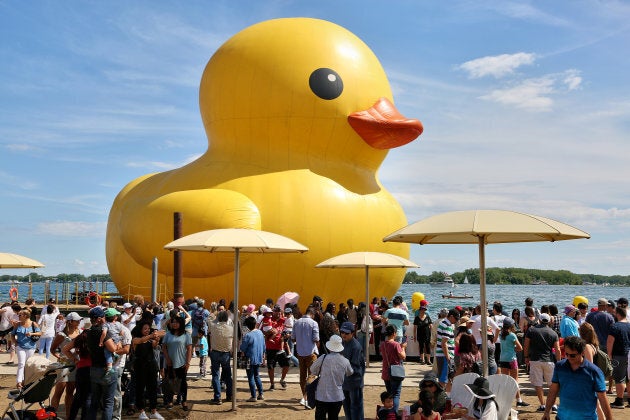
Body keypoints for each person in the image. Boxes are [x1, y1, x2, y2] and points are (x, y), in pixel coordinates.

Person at [542, 336, 613, 420]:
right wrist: (546, 412)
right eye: (566, 354)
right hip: (562, 417)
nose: (568, 357)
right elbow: (553, 391)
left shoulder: (594, 372)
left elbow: (603, 399)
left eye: (572, 355)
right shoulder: (559, 367)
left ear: (582, 353)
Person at [85, 306, 119, 420]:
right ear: (99, 319)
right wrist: (117, 345)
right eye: (103, 317)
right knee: (108, 403)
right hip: (106, 369)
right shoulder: (103, 332)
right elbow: (112, 348)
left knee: (94, 402)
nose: (105, 318)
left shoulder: (89, 332)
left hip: (94, 369)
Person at [523, 312, 560, 412]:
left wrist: (526, 356)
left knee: (538, 383)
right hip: (549, 360)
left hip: (535, 359)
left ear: (539, 320)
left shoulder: (531, 330)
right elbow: (557, 349)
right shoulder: (553, 333)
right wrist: (559, 362)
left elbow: (526, 345)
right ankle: (554, 405)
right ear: (549, 321)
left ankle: (543, 405)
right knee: (552, 384)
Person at [310, 335, 353, 420]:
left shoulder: (323, 358)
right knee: (333, 417)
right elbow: (350, 372)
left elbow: (312, 370)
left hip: (322, 395)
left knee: (320, 417)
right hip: (337, 396)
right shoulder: (345, 361)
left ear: (329, 347)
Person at [50, 312, 82, 418]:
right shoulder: (61, 334)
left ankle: (69, 417)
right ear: (70, 321)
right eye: (77, 320)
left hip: (76, 364)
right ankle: (53, 416)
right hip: (64, 364)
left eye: (79, 320)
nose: (79, 322)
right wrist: (60, 358)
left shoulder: (80, 332)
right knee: (58, 392)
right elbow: (52, 349)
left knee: (70, 393)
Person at [131, 320, 165, 420]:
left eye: (148, 329)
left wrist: (157, 339)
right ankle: (141, 411)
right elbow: (139, 341)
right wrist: (151, 336)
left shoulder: (150, 340)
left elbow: (154, 345)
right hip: (140, 366)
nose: (147, 330)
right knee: (140, 388)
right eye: (145, 329)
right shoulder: (135, 339)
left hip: (151, 365)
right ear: (140, 329)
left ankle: (153, 410)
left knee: (153, 388)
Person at [162, 313, 192, 411]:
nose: (174, 324)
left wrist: (188, 363)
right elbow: (164, 347)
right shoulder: (168, 334)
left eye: (176, 322)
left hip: (182, 363)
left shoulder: (186, 335)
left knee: (182, 383)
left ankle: (184, 401)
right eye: (173, 322)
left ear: (181, 324)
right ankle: (170, 400)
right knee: (170, 382)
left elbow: (189, 349)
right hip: (170, 363)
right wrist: (167, 359)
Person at [292, 305, 320, 408]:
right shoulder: (314, 323)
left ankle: (306, 397)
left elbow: (293, 339)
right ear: (312, 314)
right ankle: (306, 398)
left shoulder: (296, 322)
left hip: (300, 353)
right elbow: (316, 339)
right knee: (312, 376)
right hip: (311, 352)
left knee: (303, 376)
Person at [498, 318, 528, 407]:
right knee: (515, 380)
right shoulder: (512, 335)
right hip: (511, 359)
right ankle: (519, 400)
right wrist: (513, 348)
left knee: (506, 380)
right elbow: (520, 348)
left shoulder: (501, 335)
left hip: (503, 359)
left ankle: (505, 400)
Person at [339, 321, 365, 420]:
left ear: (352, 333)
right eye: (342, 332)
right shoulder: (342, 343)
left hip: (355, 381)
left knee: (356, 407)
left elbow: (355, 367)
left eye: (346, 333)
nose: (344, 335)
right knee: (346, 406)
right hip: (344, 381)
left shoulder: (356, 346)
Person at [606, 305, 630, 409]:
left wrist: (609, 354)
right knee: (629, 379)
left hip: (619, 354)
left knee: (620, 379)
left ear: (618, 314)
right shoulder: (629, 325)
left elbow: (610, 341)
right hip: (629, 353)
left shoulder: (615, 326)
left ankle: (619, 401)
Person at [208, 310, 233, 405]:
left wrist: (215, 312)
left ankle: (217, 397)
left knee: (215, 375)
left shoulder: (214, 326)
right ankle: (229, 396)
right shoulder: (231, 328)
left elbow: (209, 318)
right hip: (226, 353)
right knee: (227, 376)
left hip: (215, 352)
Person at [380, 324, 406, 413]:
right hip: (395, 373)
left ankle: (389, 414)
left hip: (386, 373)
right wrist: (403, 347)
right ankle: (393, 414)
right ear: (394, 333)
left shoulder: (383, 344)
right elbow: (403, 356)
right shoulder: (396, 344)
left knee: (390, 394)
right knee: (396, 395)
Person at [240, 316, 266, 402]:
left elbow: (243, 348)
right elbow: (264, 346)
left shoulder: (248, 335)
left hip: (249, 359)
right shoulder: (260, 333)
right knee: (257, 376)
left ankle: (253, 396)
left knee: (250, 377)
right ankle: (261, 393)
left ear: (247, 326)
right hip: (258, 357)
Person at [13, 308, 40, 388]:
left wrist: (31, 334)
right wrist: (15, 343)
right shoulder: (18, 324)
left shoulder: (33, 324)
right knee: (21, 363)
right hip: (20, 346)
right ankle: (19, 382)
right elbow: (12, 334)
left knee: (28, 365)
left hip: (31, 347)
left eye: (20, 315)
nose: (18, 316)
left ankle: (26, 380)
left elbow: (40, 333)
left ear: (25, 316)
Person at [435, 309, 459, 390]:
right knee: (443, 380)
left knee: (448, 378)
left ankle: (447, 397)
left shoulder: (442, 323)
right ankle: (441, 398)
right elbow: (444, 343)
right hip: (444, 356)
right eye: (456, 319)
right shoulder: (447, 326)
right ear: (451, 316)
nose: (456, 321)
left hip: (441, 354)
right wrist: (448, 357)